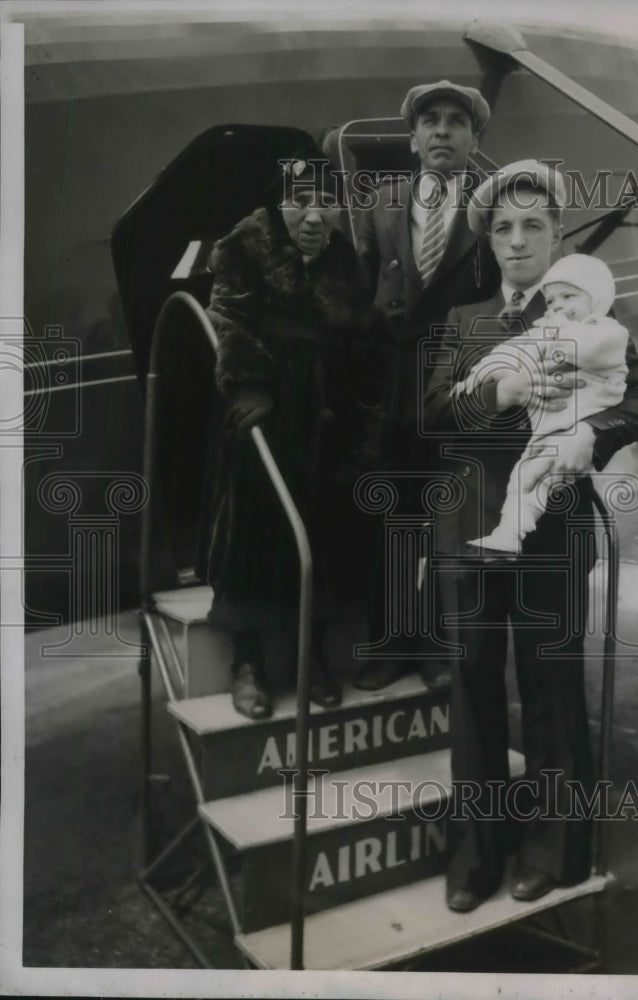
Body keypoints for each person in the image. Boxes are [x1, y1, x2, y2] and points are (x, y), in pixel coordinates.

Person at [423, 160, 638, 911]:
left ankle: (553, 850)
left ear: (557, 236)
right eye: (502, 228)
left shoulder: (588, 319)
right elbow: (432, 417)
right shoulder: (461, 324)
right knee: (471, 687)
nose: (516, 240)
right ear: (488, 243)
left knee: (551, 686)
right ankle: (475, 855)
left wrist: (591, 432)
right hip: (468, 528)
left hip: (552, 532)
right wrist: (497, 391)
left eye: (533, 225)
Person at [198, 156, 386, 721]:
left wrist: (365, 414)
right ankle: (248, 662)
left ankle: (312, 656)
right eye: (299, 200)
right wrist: (251, 388)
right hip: (265, 421)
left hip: (324, 426)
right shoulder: (244, 247)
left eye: (325, 202)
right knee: (255, 534)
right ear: (276, 203)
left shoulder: (339, 259)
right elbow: (227, 319)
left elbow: (360, 341)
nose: (312, 216)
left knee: (322, 533)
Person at [353, 79, 500, 693]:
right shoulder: (380, 205)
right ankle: (391, 643)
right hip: (391, 396)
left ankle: (440, 648)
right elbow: (359, 301)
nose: (442, 130)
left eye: (456, 122)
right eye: (431, 121)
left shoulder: (492, 211)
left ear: (472, 139)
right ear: (413, 140)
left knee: (451, 526)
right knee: (392, 524)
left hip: (454, 393)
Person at [456, 253, 629, 553]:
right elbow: (512, 350)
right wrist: (479, 375)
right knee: (524, 479)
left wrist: (551, 332)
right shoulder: (544, 331)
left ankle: (511, 535)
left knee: (539, 476)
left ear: (595, 301)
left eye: (568, 296)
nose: (557, 305)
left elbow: (586, 349)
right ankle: (510, 536)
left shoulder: (608, 331)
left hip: (581, 421)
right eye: (550, 301)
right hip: (549, 429)